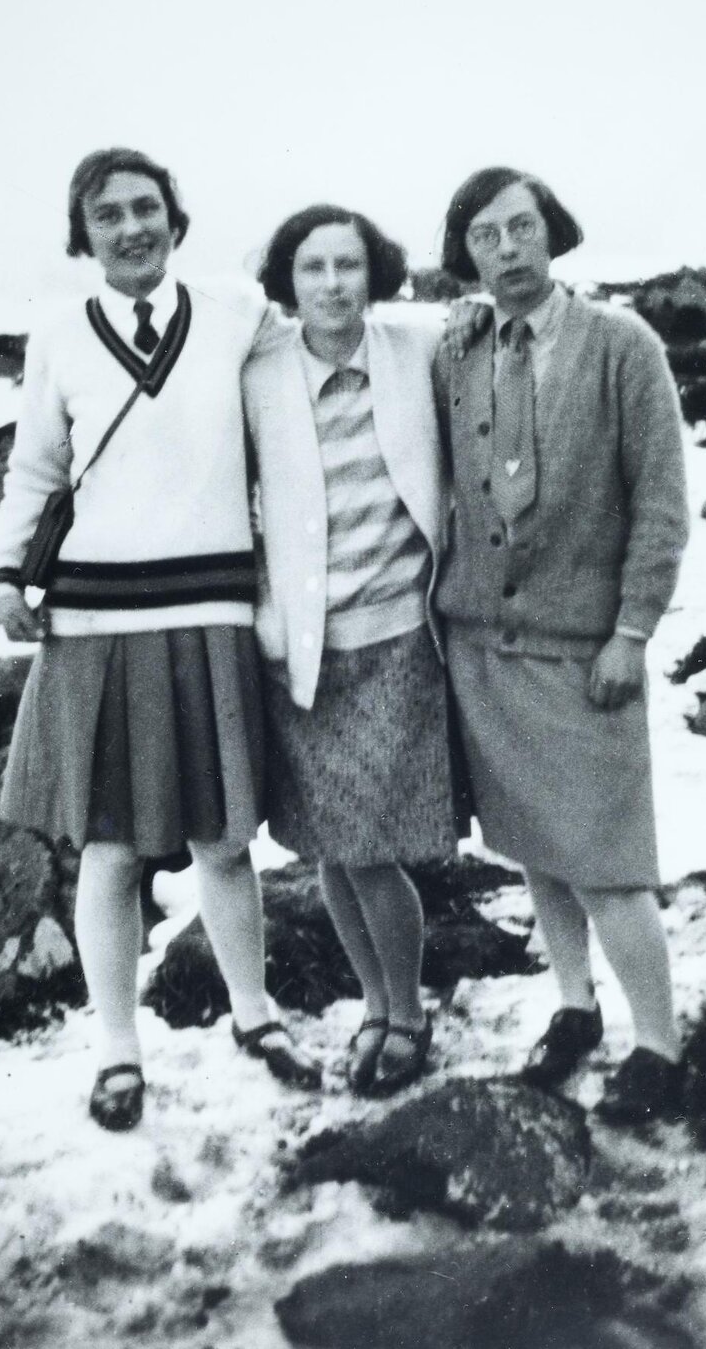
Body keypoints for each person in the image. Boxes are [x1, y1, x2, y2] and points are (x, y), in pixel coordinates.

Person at [0, 148, 320, 1132]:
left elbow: (332, 347)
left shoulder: (236, 318)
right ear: (81, 235)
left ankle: (254, 1016)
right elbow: (35, 474)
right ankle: (117, 1051)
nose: (129, 228)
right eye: (106, 216)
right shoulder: (58, 337)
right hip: (96, 623)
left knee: (224, 842)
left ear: (174, 220)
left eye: (145, 208)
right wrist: (8, 573)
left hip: (210, 612)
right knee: (113, 851)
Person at [434, 166, 690, 1123]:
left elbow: (662, 505)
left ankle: (660, 1048)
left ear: (555, 234)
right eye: (487, 236)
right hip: (483, 648)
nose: (509, 248)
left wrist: (634, 631)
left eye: (523, 227)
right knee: (538, 846)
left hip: (588, 654)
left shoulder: (623, 345)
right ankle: (575, 1010)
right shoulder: (456, 351)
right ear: (466, 257)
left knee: (610, 862)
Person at [242, 204, 463, 1094]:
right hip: (304, 652)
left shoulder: (419, 351)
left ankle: (407, 1011)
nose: (332, 284)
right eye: (312, 268)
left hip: (400, 639)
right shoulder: (257, 373)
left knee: (369, 844)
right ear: (287, 284)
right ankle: (376, 1003)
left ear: (374, 273)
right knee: (331, 847)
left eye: (347, 265)